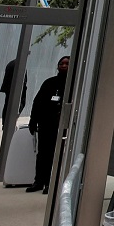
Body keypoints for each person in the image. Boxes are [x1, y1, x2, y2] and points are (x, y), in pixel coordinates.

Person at [26, 56, 70, 194]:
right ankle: (39, 181)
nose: (63, 66)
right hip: (46, 124)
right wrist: (33, 121)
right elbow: (37, 102)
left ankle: (52, 183)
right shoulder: (49, 83)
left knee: (56, 154)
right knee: (43, 154)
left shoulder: (73, 85)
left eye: (67, 64)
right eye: (61, 63)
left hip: (62, 126)